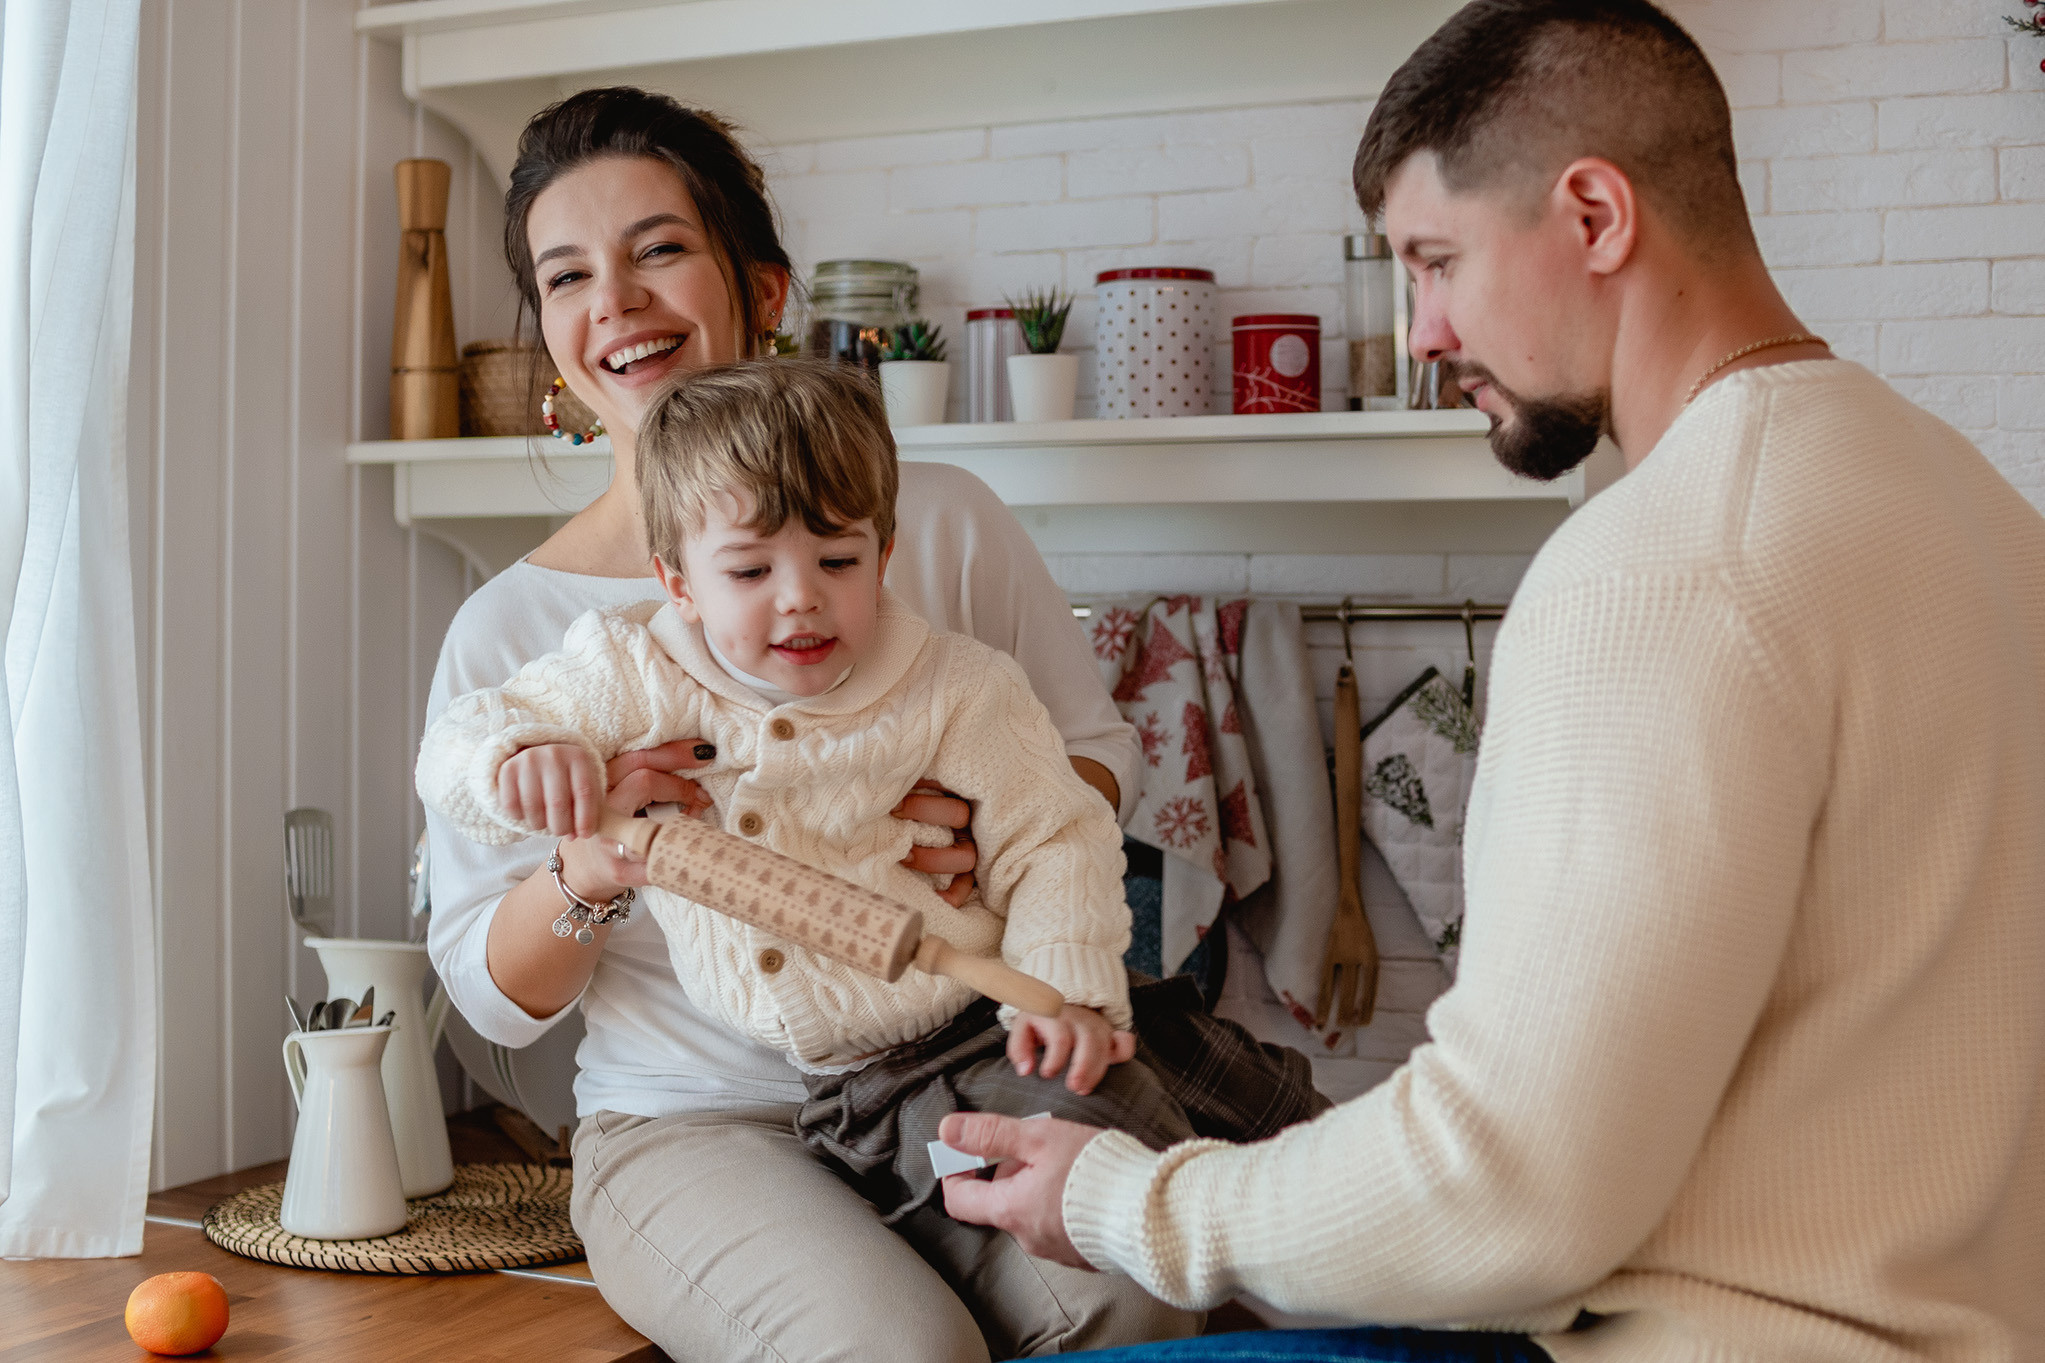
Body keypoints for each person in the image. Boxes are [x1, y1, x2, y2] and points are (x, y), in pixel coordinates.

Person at [938, 3, 2045, 1361]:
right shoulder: (1972, 505)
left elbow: (1509, 1191)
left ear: (1592, 215)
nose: (1420, 332)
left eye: (1436, 261)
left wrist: (1120, 1196)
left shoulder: (1658, 565)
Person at [423, 87, 1197, 1360]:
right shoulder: (525, 635)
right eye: (568, 275)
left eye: (658, 248)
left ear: (765, 289)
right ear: (556, 337)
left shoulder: (933, 519)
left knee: (1130, 1295)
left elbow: (1088, 768)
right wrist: (593, 860)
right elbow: (494, 1001)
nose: (613, 299)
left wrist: (982, 838)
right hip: (692, 1129)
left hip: (944, 1069)